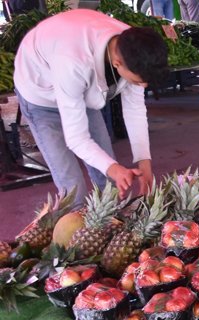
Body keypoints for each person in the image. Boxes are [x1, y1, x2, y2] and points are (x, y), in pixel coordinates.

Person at [14, 9, 168, 208]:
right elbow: (76, 138)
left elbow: (135, 110)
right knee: (72, 186)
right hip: (40, 95)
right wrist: (113, 168)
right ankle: (72, 227)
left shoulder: (135, 47)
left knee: (111, 181)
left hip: (82, 91)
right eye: (139, 82)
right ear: (117, 63)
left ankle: (111, 226)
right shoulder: (73, 62)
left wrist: (144, 162)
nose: (143, 87)